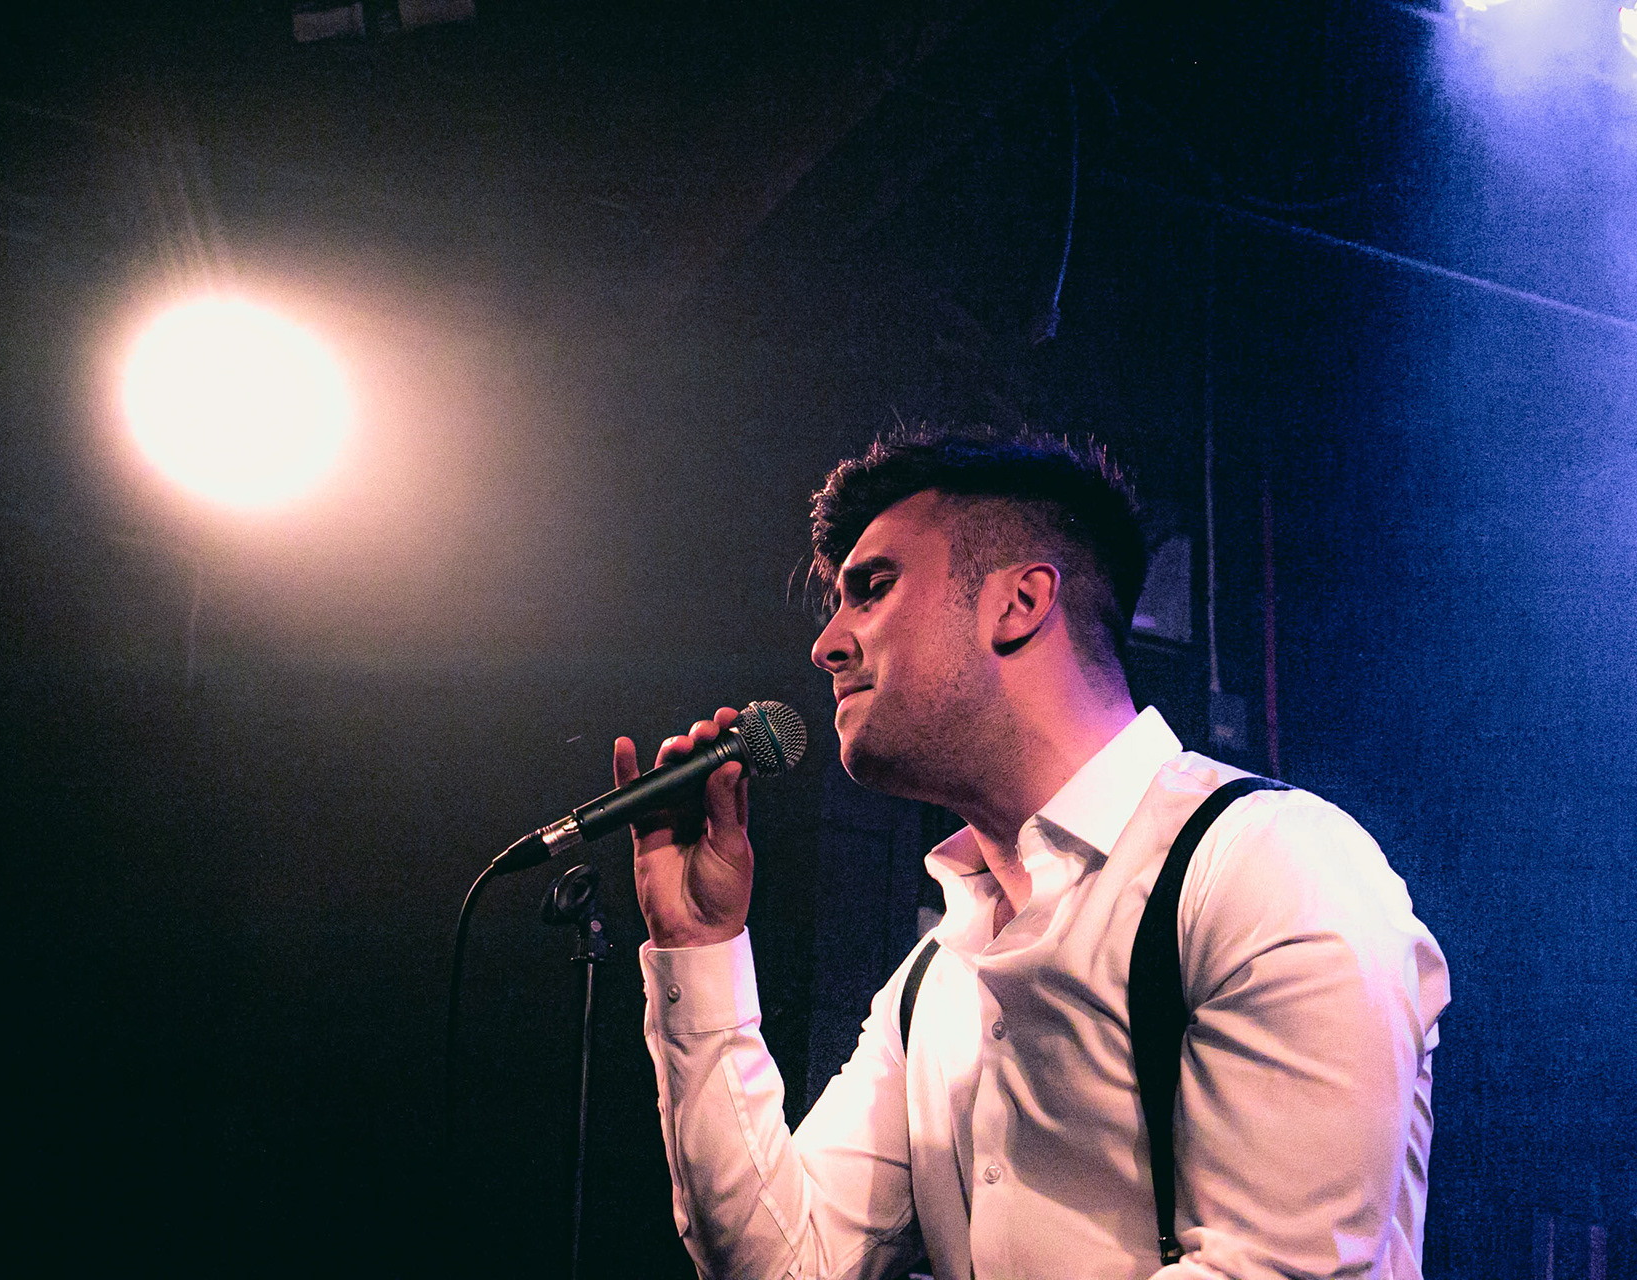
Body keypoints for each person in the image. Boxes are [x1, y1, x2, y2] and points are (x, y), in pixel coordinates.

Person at [618, 429, 1449, 1280]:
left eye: (872, 589)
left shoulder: (1273, 868)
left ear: (1019, 603)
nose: (826, 644)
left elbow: (1271, 1267)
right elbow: (787, 1266)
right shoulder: (933, 981)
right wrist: (699, 946)